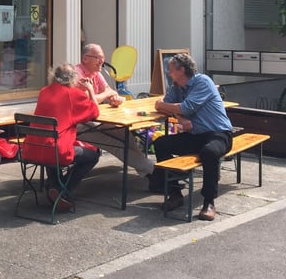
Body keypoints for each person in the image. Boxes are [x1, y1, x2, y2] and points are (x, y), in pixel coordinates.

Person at [151, 52, 233, 221]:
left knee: (209, 152)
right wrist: (180, 118)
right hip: (195, 135)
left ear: (181, 70)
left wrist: (163, 105)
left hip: (218, 134)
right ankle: (175, 193)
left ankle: (209, 202)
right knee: (160, 143)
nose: (168, 73)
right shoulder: (176, 87)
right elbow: (165, 108)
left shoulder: (203, 82)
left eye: (171, 70)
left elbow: (185, 107)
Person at [76, 43, 156, 181]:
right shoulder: (76, 73)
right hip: (78, 124)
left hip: (96, 119)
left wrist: (114, 97)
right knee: (116, 144)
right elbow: (89, 100)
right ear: (85, 59)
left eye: (103, 57)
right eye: (98, 58)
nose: (102, 61)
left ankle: (148, 172)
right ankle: (155, 171)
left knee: (123, 133)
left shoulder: (96, 73)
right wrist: (105, 95)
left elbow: (111, 91)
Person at [33, 63, 102, 211]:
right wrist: (89, 90)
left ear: (53, 76)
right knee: (93, 155)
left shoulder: (44, 91)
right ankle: (63, 189)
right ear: (73, 79)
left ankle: (54, 186)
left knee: (51, 146)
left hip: (34, 147)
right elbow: (95, 112)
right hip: (57, 151)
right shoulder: (73, 95)